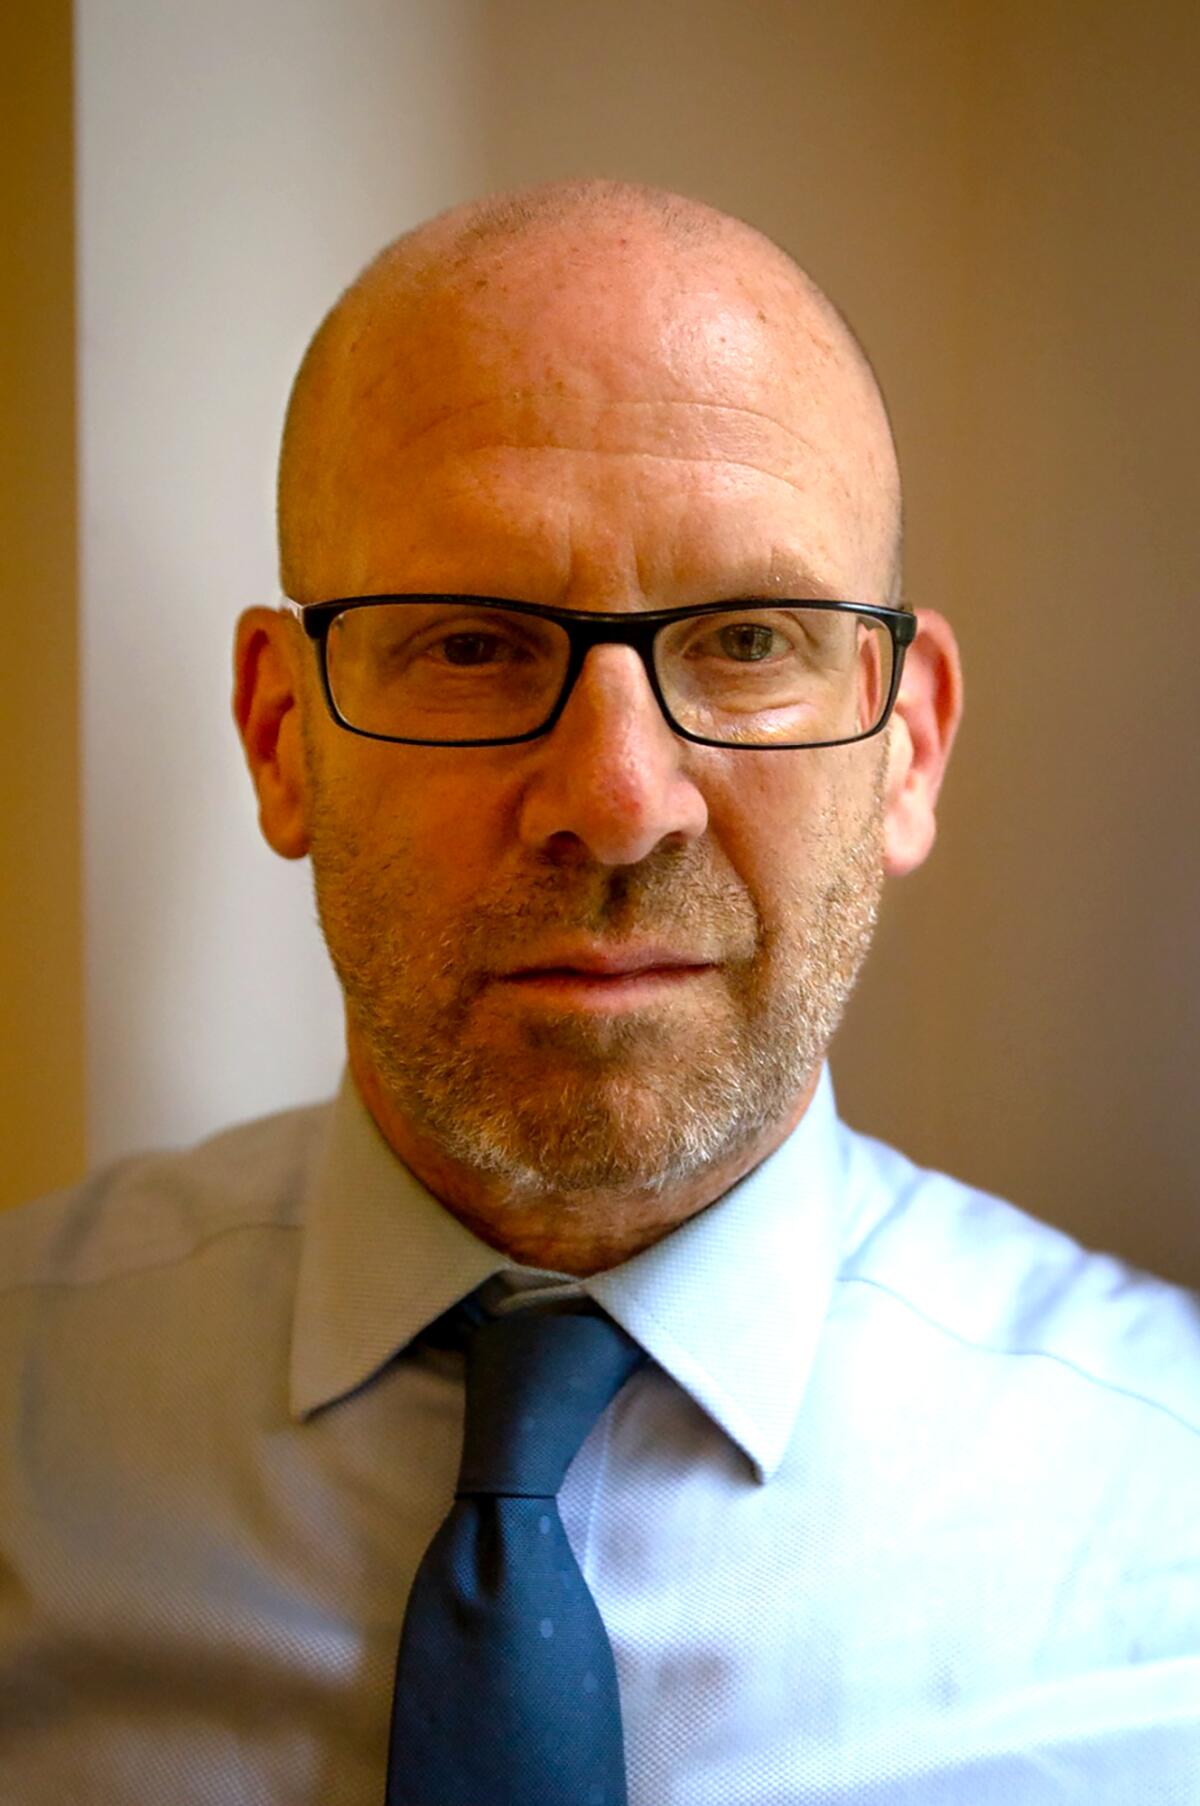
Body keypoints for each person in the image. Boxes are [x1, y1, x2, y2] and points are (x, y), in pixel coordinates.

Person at [1, 179, 1197, 1805]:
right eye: (474, 643)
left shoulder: (1161, 1516)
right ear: (283, 737)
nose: (620, 798)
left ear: (906, 745)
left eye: (751, 636)